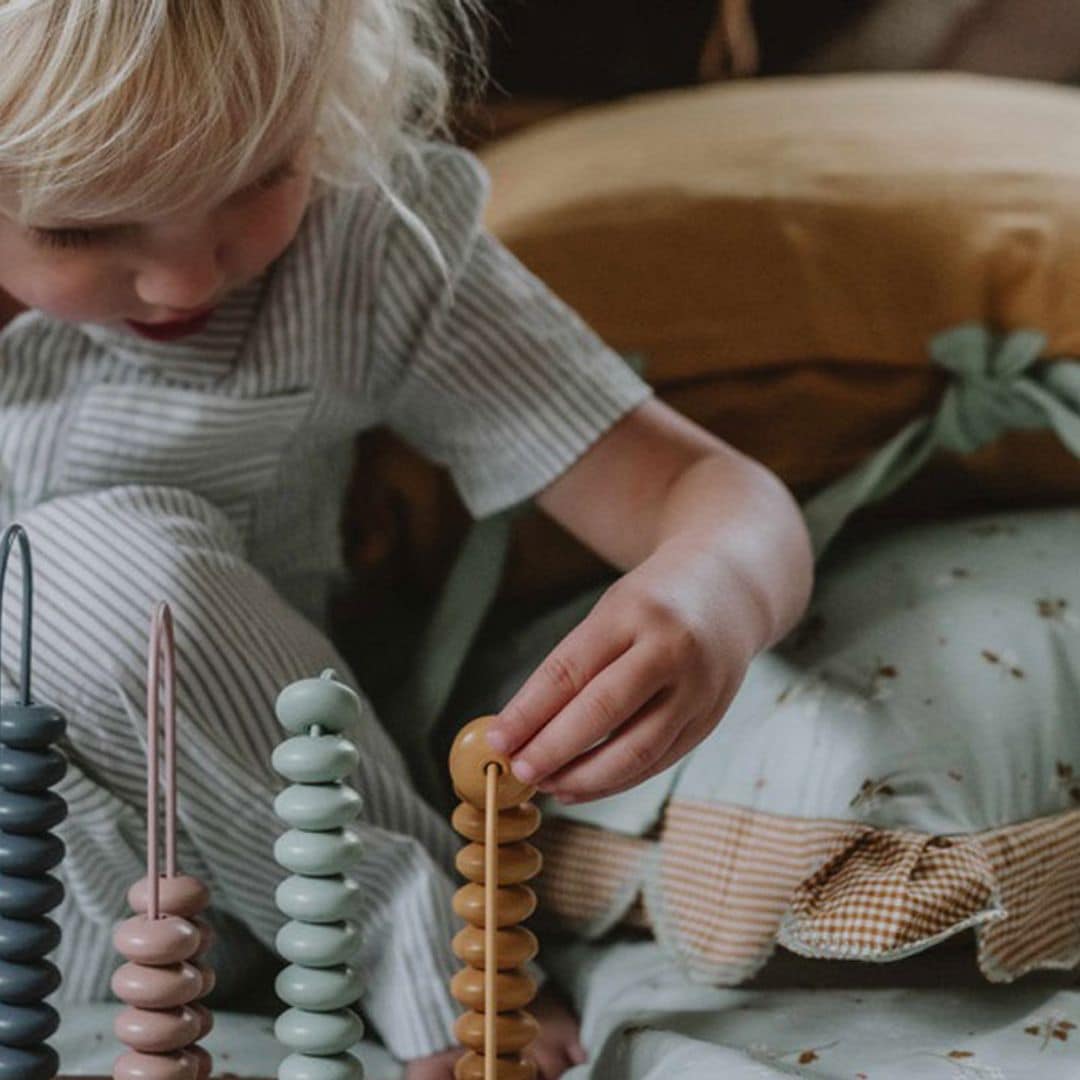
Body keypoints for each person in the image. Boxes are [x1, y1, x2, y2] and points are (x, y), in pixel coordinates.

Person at [0, 2, 813, 1077]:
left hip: (186, 883)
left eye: (261, 178)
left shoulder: (361, 250)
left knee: (92, 574)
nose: (190, 279)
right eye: (85, 230)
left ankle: (429, 958)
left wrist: (715, 594)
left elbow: (710, 489)